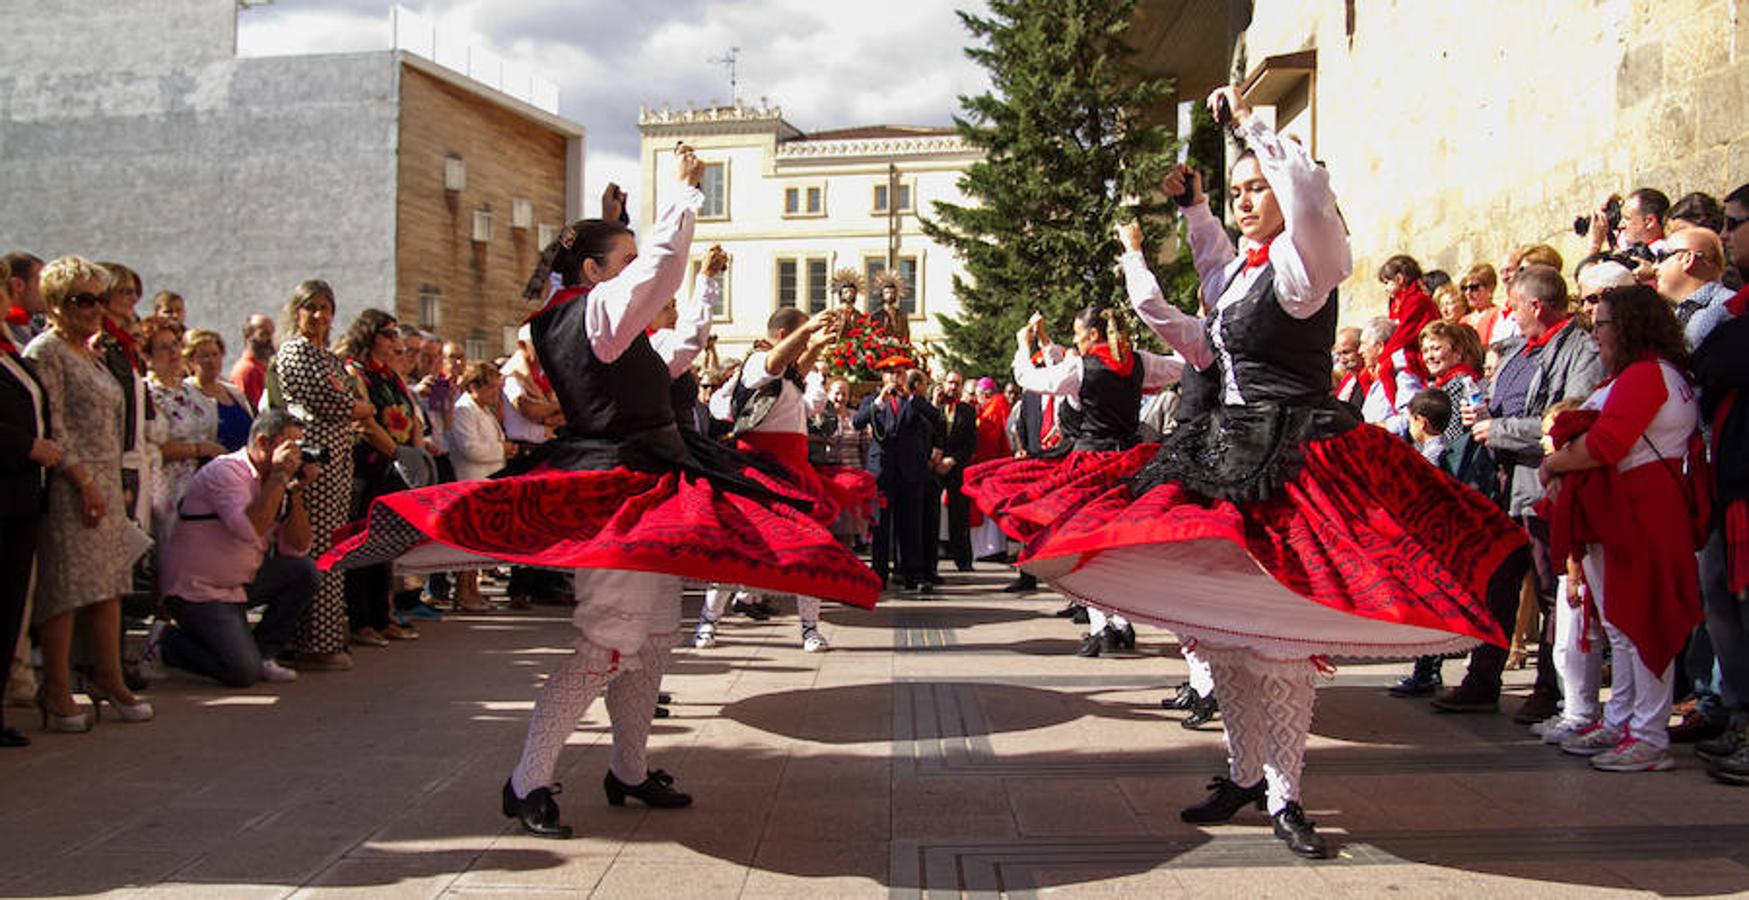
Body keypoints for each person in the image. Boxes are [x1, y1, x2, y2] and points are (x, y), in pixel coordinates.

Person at [993, 87, 1527, 859]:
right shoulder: (1245, 274)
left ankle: (1285, 793)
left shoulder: (1310, 256)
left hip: (1297, 455)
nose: (1249, 201)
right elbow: (1205, 326)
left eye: (1256, 189)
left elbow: (1306, 195)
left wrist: (1251, 125)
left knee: (1277, 640)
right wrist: (1193, 213)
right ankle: (1245, 773)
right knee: (1224, 635)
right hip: (1225, 450)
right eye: (1240, 190)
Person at [318, 147, 878, 839]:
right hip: (621, 493)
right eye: (622, 260)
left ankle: (630, 769)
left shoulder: (589, 319)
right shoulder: (597, 316)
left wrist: (651, 252)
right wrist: (679, 194)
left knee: (653, 642)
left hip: (648, 489)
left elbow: (679, 334)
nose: (639, 279)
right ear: (594, 273)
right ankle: (525, 783)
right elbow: (655, 270)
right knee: (606, 649)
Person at [1541, 284, 1704, 771]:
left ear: (1629, 326)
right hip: (1631, 508)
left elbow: (1607, 444)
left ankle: (1649, 734)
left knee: (1642, 620)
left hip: (1641, 508)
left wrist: (1556, 465)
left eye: (1604, 323)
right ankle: (1625, 719)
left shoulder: (1647, 375)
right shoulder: (1655, 374)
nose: (1596, 332)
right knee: (1621, 623)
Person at [963, 307, 1182, 657]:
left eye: (1078, 332)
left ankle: (1103, 627)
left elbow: (1031, 379)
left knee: (1084, 546)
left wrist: (1024, 344)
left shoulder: (1083, 367)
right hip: (1128, 464)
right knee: (1115, 546)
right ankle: (1121, 624)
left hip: (1091, 465)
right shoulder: (1138, 361)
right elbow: (1177, 367)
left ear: (1093, 334)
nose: (1076, 338)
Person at [1440, 264, 1603, 722]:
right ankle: (1482, 678)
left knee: (1551, 589)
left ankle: (1550, 689)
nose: (1509, 316)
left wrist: (1503, 429)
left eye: (1514, 307)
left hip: (1542, 483)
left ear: (1536, 305)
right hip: (1504, 484)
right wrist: (1484, 414)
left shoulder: (1579, 350)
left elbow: (1570, 418)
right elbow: (1497, 398)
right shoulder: (1519, 350)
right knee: (1498, 582)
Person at [24, 256, 155, 731]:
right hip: (68, 484)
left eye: (100, 299)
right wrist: (81, 481)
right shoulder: (47, 351)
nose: (96, 308)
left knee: (110, 588)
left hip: (105, 481)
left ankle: (108, 677)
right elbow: (53, 424)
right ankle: (56, 688)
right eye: (83, 300)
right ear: (56, 304)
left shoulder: (92, 352)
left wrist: (113, 484)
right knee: (67, 590)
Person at [156, 410, 318, 686]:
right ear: (264, 443)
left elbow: (298, 546)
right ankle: (165, 643)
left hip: (238, 586)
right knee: (243, 673)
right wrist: (279, 475)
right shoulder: (227, 472)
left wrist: (294, 490)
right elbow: (248, 529)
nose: (296, 456)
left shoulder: (276, 480)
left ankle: (265, 653)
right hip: (197, 591)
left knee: (303, 571)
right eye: (290, 446)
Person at [272, 279, 370, 672]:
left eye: (325, 308)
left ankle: (326, 636)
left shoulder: (327, 356)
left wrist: (357, 406)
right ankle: (313, 640)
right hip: (314, 460)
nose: (318, 316)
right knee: (314, 548)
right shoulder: (296, 352)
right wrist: (357, 407)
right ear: (297, 311)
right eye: (310, 308)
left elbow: (358, 400)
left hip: (337, 460)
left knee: (333, 546)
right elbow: (338, 403)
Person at [337, 309, 425, 646]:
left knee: (386, 543)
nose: (395, 342)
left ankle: (382, 614)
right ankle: (361, 620)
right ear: (370, 336)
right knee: (363, 543)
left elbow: (411, 416)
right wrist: (396, 453)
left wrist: (412, 453)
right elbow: (364, 422)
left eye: (395, 334)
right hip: (371, 464)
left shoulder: (390, 374)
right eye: (388, 334)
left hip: (396, 465)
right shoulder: (355, 372)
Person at [0, 270, 61, 746]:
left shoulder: (9, 350)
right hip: (8, 486)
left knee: (12, 605)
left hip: (22, 496)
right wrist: (27, 446)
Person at [855, 363, 943, 591]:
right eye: (891, 374)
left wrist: (913, 398)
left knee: (911, 525)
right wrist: (879, 402)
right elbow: (858, 422)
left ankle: (913, 574)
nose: (895, 378)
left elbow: (936, 418)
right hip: (883, 472)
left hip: (910, 472)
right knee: (881, 526)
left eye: (900, 374)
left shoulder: (912, 400)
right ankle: (879, 574)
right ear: (883, 377)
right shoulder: (872, 400)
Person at [142, 314, 226, 544]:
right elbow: (154, 447)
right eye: (163, 348)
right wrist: (200, 449)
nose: (173, 352)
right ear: (147, 356)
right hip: (169, 491)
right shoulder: (147, 394)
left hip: (202, 487)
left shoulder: (189, 391)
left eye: (175, 344)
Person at [445, 361, 512, 612]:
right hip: (469, 480)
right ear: (474, 386)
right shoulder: (464, 409)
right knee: (468, 542)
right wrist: (501, 449)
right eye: (491, 388)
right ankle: (463, 593)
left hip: (487, 480)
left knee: (478, 542)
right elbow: (469, 448)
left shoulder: (482, 409)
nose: (495, 394)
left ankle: (473, 590)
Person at [933, 370, 978, 572]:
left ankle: (963, 559)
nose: (953, 387)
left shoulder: (967, 411)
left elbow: (971, 444)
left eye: (957, 384)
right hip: (933, 466)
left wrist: (952, 460)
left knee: (959, 514)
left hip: (956, 466)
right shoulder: (934, 406)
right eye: (950, 382)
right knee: (931, 513)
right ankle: (930, 560)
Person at [185, 328, 255, 453]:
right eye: (204, 356)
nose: (211, 361)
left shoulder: (234, 392)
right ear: (191, 360)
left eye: (215, 354)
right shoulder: (187, 393)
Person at [231, 313, 275, 408]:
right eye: (264, 334)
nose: (270, 340)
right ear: (247, 336)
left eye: (271, 334)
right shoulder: (247, 370)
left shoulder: (266, 367)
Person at [4, 252, 45, 349]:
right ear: (18, 285)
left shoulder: (34, 325)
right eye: (42, 282)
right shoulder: (6, 331)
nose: (48, 290)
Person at [1331, 326, 1369, 410]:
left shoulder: (1371, 378)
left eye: (1346, 352)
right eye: (1339, 354)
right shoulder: (1347, 380)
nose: (1342, 360)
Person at [871, 271, 911, 341]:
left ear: (896, 294)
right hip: (883, 348)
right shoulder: (876, 315)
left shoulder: (901, 315)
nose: (890, 295)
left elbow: (906, 333)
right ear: (882, 295)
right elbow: (874, 334)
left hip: (900, 347)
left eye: (892, 293)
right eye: (887, 293)